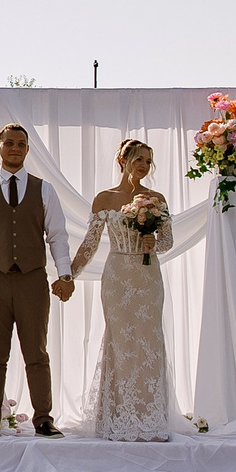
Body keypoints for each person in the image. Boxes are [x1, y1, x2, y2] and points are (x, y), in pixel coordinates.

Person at [0, 123, 76, 437]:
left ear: (27, 149)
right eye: (9, 143)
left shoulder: (45, 189)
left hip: (33, 280)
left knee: (36, 353)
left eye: (21, 144)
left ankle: (43, 418)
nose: (15, 148)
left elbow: (58, 236)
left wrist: (65, 275)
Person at [67, 140, 180, 441]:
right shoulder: (104, 198)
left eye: (148, 161)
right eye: (138, 159)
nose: (143, 166)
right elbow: (90, 243)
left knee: (148, 341)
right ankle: (117, 416)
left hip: (147, 277)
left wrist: (155, 243)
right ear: (122, 159)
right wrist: (69, 275)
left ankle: (148, 416)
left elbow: (168, 241)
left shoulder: (156, 198)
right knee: (120, 341)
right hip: (117, 276)